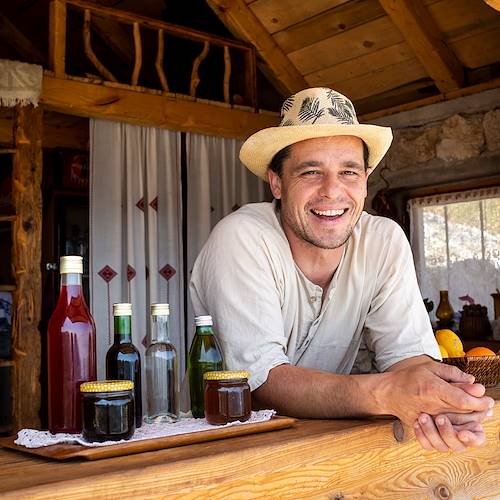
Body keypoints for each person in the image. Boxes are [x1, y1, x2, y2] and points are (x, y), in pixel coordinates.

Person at [190, 87, 494, 452]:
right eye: (311, 172)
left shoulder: (383, 240)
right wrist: (385, 394)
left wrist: (443, 405)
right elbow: (262, 383)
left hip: (334, 449)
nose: (332, 191)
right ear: (276, 182)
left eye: (349, 172)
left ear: (366, 179)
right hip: (229, 452)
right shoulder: (241, 238)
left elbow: (408, 358)